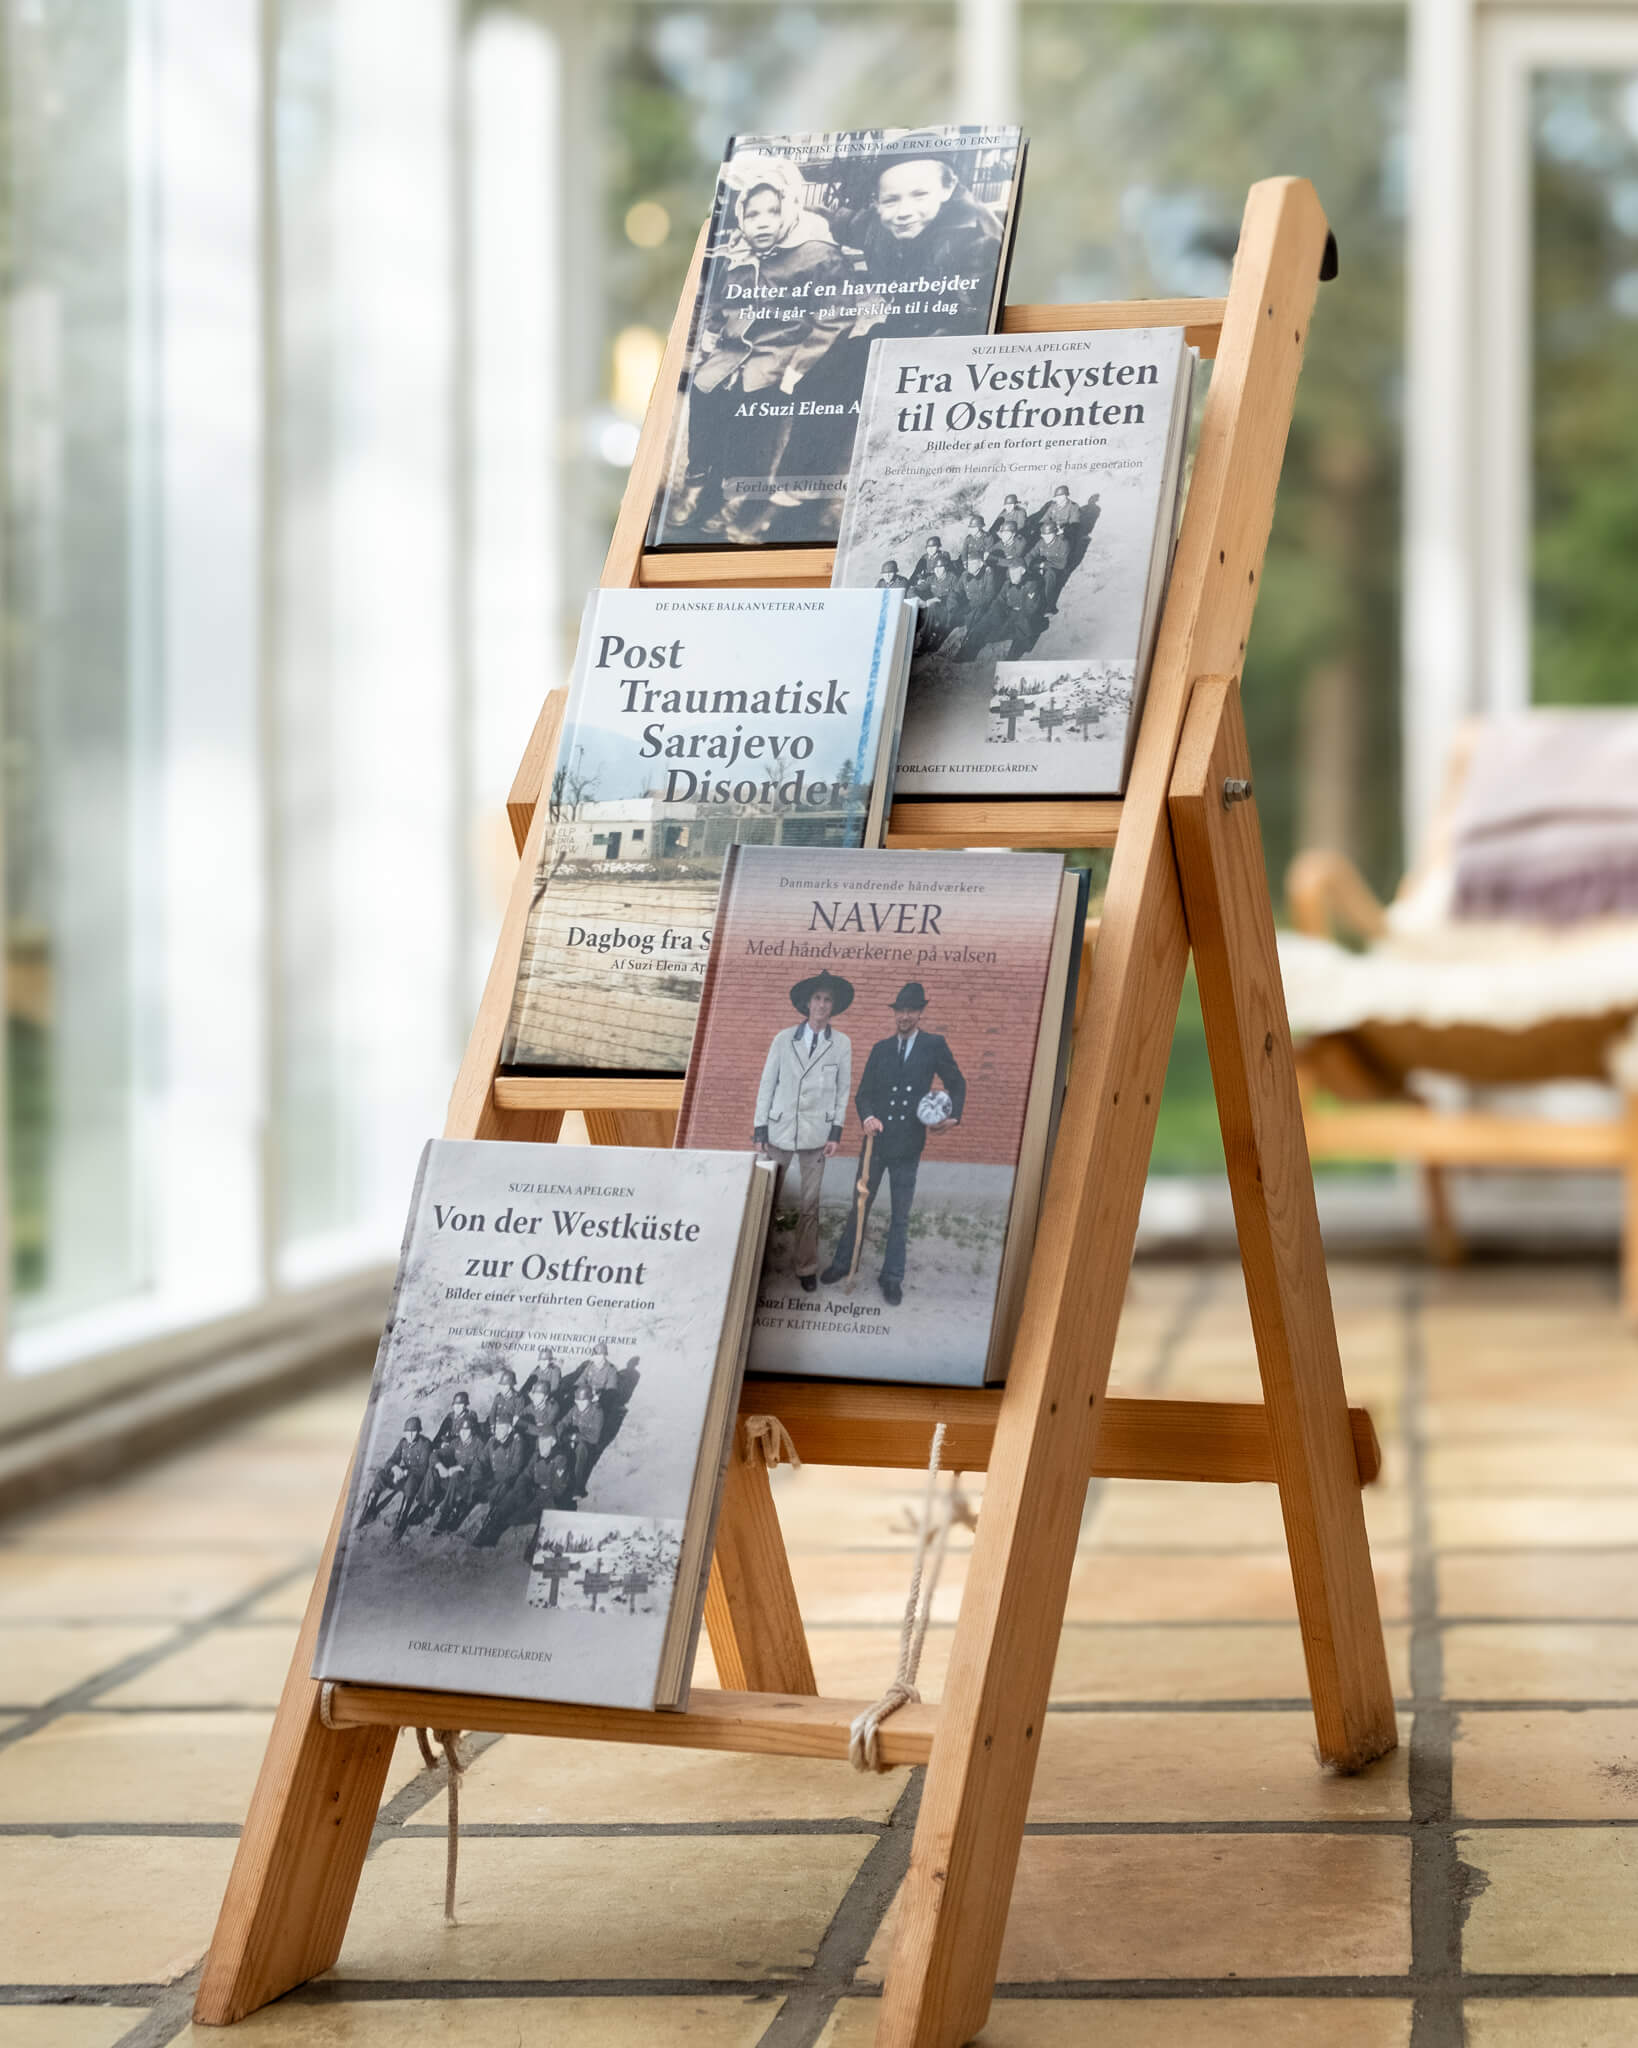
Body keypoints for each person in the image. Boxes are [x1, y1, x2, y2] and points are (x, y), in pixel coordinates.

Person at [675, 155, 854, 539]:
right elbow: (721, 301)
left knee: (754, 418)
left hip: (779, 352)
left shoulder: (817, 253)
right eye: (752, 214)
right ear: (741, 215)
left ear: (790, 208)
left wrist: (798, 366)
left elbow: (835, 316)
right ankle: (699, 477)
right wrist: (711, 333)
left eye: (773, 212)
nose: (762, 223)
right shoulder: (740, 253)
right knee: (704, 393)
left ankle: (742, 493)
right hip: (733, 350)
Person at [821, 983, 967, 1306]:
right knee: (859, 1206)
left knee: (900, 1215)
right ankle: (843, 1263)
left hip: (909, 1146)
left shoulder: (934, 1045)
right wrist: (868, 1117)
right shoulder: (880, 1049)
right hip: (875, 1145)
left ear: (920, 1013)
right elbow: (864, 1095)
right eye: (899, 1010)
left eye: (910, 1010)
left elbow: (957, 1082)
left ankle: (892, 1277)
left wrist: (952, 1115)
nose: (904, 1016)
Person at [754, 970, 854, 1291]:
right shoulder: (783, 1040)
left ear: (833, 1006)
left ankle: (806, 1267)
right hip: (780, 1128)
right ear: (807, 1003)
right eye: (817, 999)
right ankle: (755, 1261)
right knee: (767, 1196)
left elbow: (842, 1090)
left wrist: (836, 1131)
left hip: (817, 1134)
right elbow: (767, 1084)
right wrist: (760, 1129)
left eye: (827, 1000)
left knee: (810, 1204)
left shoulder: (841, 1044)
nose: (822, 1005)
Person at [851, 147, 1002, 333]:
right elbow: (858, 226)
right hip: (908, 323)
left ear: (948, 187)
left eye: (920, 195)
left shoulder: (977, 243)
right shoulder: (901, 223)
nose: (904, 212)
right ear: (878, 202)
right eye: (891, 200)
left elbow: (975, 324)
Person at [355, 1415, 433, 1540]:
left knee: (411, 1482)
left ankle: (401, 1522)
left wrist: (406, 1471)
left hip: (417, 1482)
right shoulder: (403, 1443)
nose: (411, 1435)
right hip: (402, 1477)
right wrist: (394, 1468)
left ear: (419, 1431)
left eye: (414, 1432)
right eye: (408, 1432)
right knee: (381, 1475)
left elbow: (423, 1469)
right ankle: (368, 1512)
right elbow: (391, 1460)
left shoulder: (425, 1444)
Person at [470, 1412, 533, 1547]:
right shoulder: (492, 1441)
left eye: (501, 1427)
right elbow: (480, 1460)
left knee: (502, 1506)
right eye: (496, 1427)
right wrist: (477, 1480)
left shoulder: (518, 1441)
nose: (497, 1431)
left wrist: (494, 1481)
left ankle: (490, 1535)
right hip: (496, 1481)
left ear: (510, 1429)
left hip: (513, 1482)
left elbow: (515, 1469)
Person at [432, 1415, 491, 1535]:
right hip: (457, 1481)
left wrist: (460, 1468)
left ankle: (445, 1514)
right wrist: (440, 1467)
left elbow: (480, 1466)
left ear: (472, 1430)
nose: (463, 1433)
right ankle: (428, 1504)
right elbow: (435, 1455)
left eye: (467, 1430)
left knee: (456, 1476)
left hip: (471, 1482)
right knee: (436, 1471)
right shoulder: (456, 1442)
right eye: (461, 1430)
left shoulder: (479, 1444)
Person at [569, 1381, 607, 1499]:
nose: (580, 1404)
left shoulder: (597, 1412)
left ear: (590, 1400)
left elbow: (594, 1438)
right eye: (577, 1401)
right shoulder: (574, 1409)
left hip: (589, 1445)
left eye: (583, 1401)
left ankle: (577, 1488)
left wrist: (575, 1437)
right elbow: (564, 1422)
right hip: (574, 1440)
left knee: (581, 1451)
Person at [1030, 512, 1072, 614]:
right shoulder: (1041, 542)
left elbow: (1062, 564)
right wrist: (1025, 564)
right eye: (1044, 535)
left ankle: (1050, 606)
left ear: (1055, 533)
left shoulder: (1063, 543)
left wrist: (1043, 565)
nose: (1046, 537)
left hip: (1059, 570)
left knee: (1049, 576)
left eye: (1049, 534)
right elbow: (1031, 554)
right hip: (1045, 566)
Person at [488, 1366, 527, 1435]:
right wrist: (492, 1426)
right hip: (498, 1427)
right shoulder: (498, 1397)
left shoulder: (518, 1398)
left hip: (510, 1429)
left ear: (511, 1385)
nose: (502, 1388)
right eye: (501, 1385)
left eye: (505, 1386)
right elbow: (492, 1413)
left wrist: (508, 1430)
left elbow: (517, 1417)